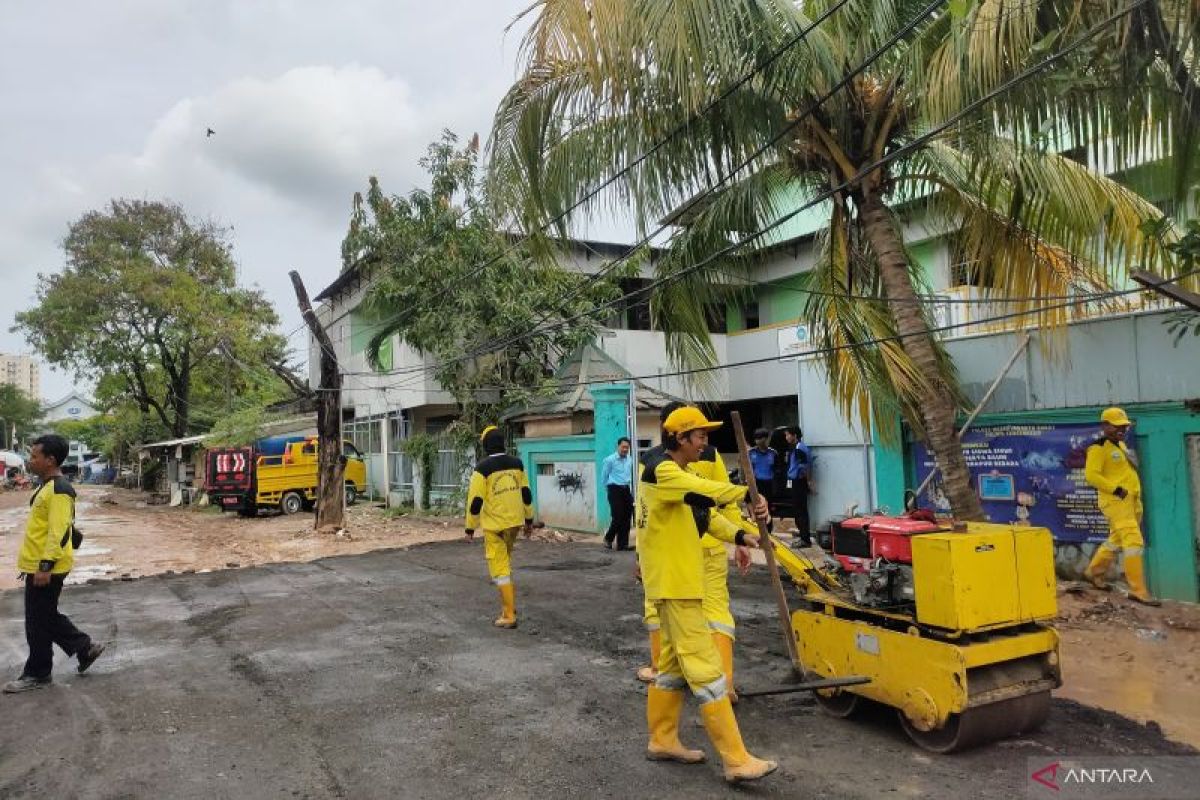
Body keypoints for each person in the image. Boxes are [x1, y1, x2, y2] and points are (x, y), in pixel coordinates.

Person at [639, 406, 777, 783]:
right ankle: (736, 759)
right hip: (676, 583)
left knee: (669, 668)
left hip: (676, 583)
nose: (705, 442)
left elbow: (705, 515)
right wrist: (745, 491)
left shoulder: (677, 474)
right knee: (706, 670)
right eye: (699, 435)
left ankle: (662, 738)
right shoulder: (661, 470)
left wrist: (742, 535)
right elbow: (706, 492)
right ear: (680, 438)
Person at [4, 434, 105, 694]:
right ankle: (84, 649)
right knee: (43, 618)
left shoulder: (59, 489)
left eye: (35, 456)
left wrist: (45, 566)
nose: (30, 460)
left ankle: (38, 673)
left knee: (38, 621)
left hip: (47, 567)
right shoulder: (47, 486)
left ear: (50, 460)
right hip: (39, 564)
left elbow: (58, 531)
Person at [1083, 408, 1160, 606]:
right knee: (1133, 541)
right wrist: (1116, 490)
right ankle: (1138, 590)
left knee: (1116, 540)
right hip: (1116, 502)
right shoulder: (1098, 448)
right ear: (1105, 426)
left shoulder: (1121, 445)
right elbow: (1091, 476)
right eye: (1117, 426)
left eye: (1124, 426)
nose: (1122, 429)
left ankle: (1094, 572)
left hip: (1132, 501)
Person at [465, 426, 535, 628]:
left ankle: (509, 615)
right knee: (505, 564)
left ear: (486, 445)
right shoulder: (517, 464)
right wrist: (529, 520)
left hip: (494, 527)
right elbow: (526, 494)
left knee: (500, 570)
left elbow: (475, 501)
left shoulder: (482, 469)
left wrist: (470, 528)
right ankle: (508, 606)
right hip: (514, 524)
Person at [601, 437, 634, 550]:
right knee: (618, 516)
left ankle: (622, 544)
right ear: (618, 446)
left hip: (626, 489)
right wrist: (609, 490)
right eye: (623, 447)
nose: (625, 449)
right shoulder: (610, 460)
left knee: (627, 517)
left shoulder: (629, 459)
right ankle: (608, 538)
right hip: (614, 489)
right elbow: (604, 477)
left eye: (627, 447)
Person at [784, 426, 813, 546]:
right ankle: (803, 535)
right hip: (795, 482)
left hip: (798, 483)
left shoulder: (799, 448)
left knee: (801, 511)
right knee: (798, 510)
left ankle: (805, 539)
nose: (786, 438)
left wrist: (808, 482)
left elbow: (804, 468)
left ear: (794, 435)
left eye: (787, 435)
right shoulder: (796, 448)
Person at [747, 428, 777, 528]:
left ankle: (769, 533)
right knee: (756, 509)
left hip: (769, 485)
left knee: (768, 510)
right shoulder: (751, 453)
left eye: (760, 438)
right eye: (756, 438)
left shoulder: (773, 453)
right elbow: (745, 469)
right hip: (756, 484)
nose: (757, 441)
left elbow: (777, 470)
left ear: (766, 439)